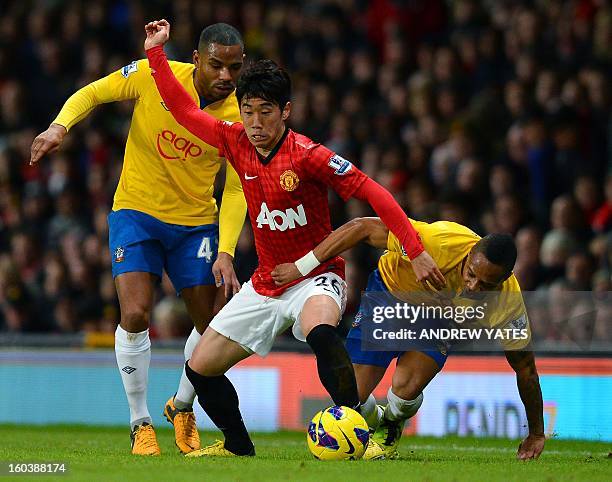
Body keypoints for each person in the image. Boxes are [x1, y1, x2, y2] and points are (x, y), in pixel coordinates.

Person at [143, 19, 445, 457]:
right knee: (200, 369)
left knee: (321, 331)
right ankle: (238, 447)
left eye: (266, 111)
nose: (255, 121)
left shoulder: (308, 155)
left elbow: (373, 191)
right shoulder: (234, 141)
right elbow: (184, 110)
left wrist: (414, 250)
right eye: (247, 110)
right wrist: (155, 53)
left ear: (285, 111)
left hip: (317, 276)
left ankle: (359, 437)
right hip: (265, 282)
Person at [29, 23, 248, 456]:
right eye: (218, 65)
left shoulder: (241, 115)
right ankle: (140, 422)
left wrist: (225, 250)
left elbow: (238, 186)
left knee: (210, 326)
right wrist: (59, 127)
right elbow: (94, 92)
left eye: (235, 68)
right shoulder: (155, 74)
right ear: (197, 59)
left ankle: (183, 407)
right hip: (136, 212)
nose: (226, 76)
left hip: (196, 224)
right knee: (135, 311)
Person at [272, 217, 546, 461]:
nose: (473, 286)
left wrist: (536, 433)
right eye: (471, 274)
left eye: (486, 285)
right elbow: (363, 227)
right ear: (470, 253)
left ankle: (391, 424)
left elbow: (526, 370)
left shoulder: (508, 302)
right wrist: (303, 266)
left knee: (405, 387)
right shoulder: (437, 242)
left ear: (506, 278)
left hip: (438, 318)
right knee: (351, 396)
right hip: (390, 293)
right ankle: (378, 418)